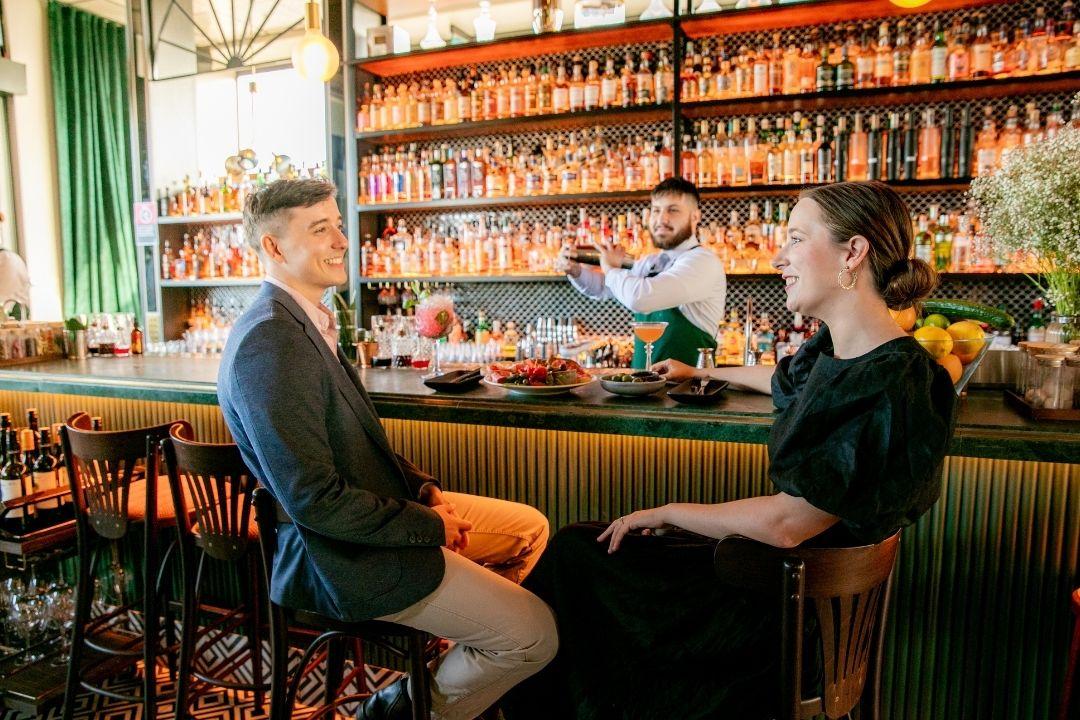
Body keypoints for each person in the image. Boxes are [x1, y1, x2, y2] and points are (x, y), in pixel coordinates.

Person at [502, 181, 957, 719]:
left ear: (853, 252)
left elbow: (787, 523)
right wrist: (701, 370)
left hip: (783, 621)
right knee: (583, 547)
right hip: (779, 584)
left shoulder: (891, 381)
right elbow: (785, 382)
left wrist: (669, 512)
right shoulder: (844, 354)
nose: (779, 257)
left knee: (581, 559)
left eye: (795, 239)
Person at [217, 179, 557, 720]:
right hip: (339, 556)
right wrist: (429, 525)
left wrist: (425, 490)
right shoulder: (271, 340)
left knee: (529, 528)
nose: (341, 241)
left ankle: (459, 660)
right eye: (320, 229)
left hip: (373, 516)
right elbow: (314, 500)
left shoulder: (304, 321)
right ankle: (392, 710)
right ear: (274, 247)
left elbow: (359, 442)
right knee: (535, 636)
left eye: (338, 225)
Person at [556, 177, 726, 368]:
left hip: (688, 385)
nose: (661, 219)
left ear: (695, 217)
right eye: (656, 210)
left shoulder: (703, 262)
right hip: (643, 382)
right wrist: (576, 271)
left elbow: (640, 298)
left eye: (673, 210)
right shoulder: (651, 262)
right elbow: (603, 287)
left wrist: (611, 268)